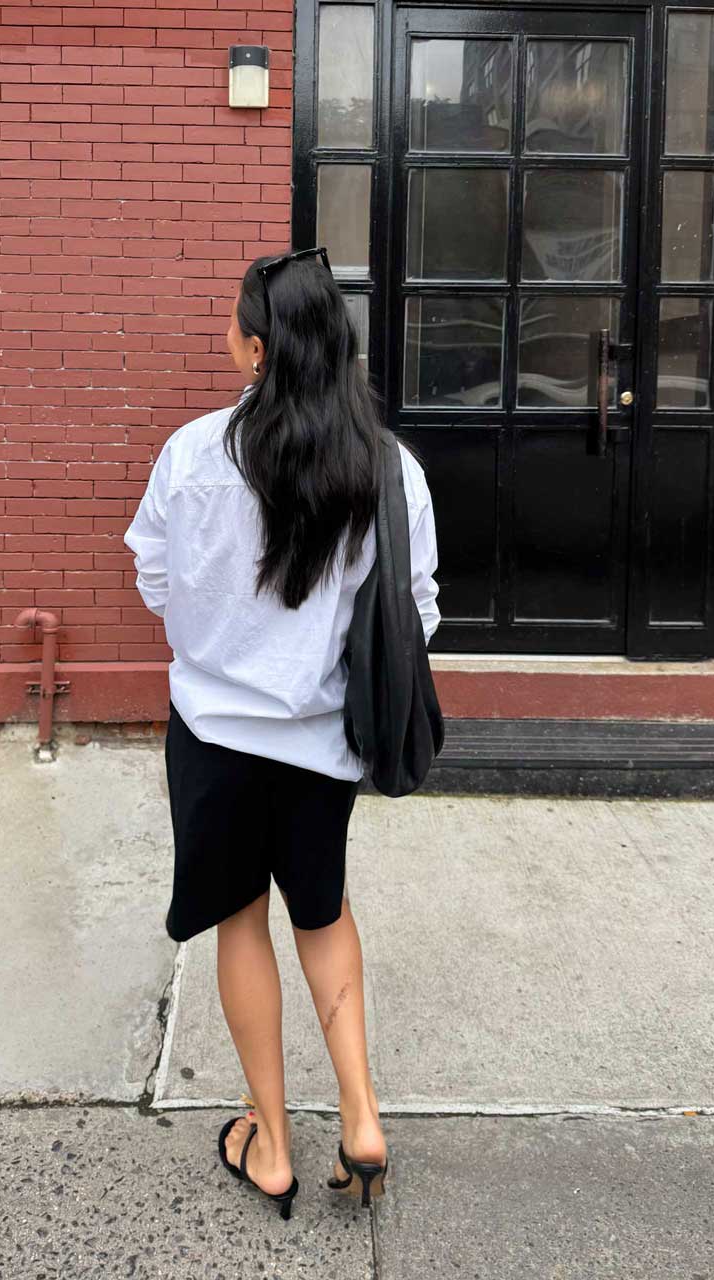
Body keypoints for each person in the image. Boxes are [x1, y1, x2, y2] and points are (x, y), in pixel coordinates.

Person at [123, 247, 440, 1221]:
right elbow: (415, 614)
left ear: (257, 350)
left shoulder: (191, 456)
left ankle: (269, 1141)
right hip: (323, 746)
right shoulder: (387, 468)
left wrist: (225, 642)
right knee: (323, 911)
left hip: (215, 734)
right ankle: (362, 1112)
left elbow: (154, 581)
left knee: (240, 920)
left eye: (232, 323)